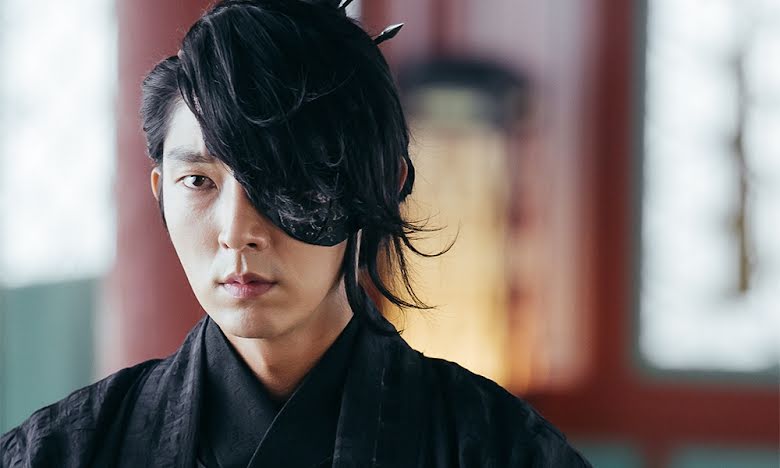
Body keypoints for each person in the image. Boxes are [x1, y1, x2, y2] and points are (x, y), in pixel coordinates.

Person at [0, 0, 592, 466]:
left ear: (380, 184)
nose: (236, 232)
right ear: (161, 190)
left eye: (282, 178)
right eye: (199, 182)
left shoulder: (498, 450)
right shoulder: (63, 452)